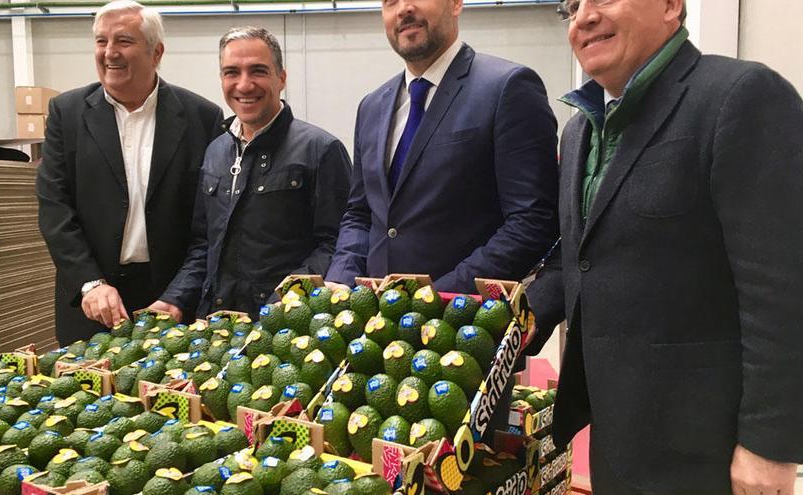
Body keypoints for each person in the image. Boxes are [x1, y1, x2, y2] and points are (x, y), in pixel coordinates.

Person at [527, 0, 803, 492]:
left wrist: (769, 445)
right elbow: (581, 259)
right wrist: (496, 331)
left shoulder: (740, 97)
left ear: (672, 5)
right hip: (616, 438)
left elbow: (783, 290)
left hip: (706, 452)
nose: (584, 17)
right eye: (572, 6)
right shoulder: (579, 131)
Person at [324, 0, 559, 293]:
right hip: (377, 325)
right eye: (390, 2)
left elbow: (532, 221)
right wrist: (340, 278)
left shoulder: (507, 88)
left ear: (456, 3)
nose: (403, 9)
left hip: (463, 324)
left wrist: (436, 299)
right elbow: (360, 214)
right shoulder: (372, 106)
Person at [36, 0, 224, 345]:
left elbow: (209, 224)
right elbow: (54, 208)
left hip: (172, 300)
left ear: (156, 53)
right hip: (91, 301)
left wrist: (180, 294)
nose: (110, 53)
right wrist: (89, 282)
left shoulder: (201, 117)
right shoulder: (68, 113)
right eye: (101, 41)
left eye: (123, 41)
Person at [149, 27, 351, 320]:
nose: (244, 85)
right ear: (221, 79)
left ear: (281, 78)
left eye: (257, 71)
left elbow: (335, 244)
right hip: (218, 325)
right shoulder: (215, 152)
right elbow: (203, 245)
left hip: (286, 328)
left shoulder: (321, 150)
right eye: (232, 72)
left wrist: (285, 300)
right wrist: (175, 299)